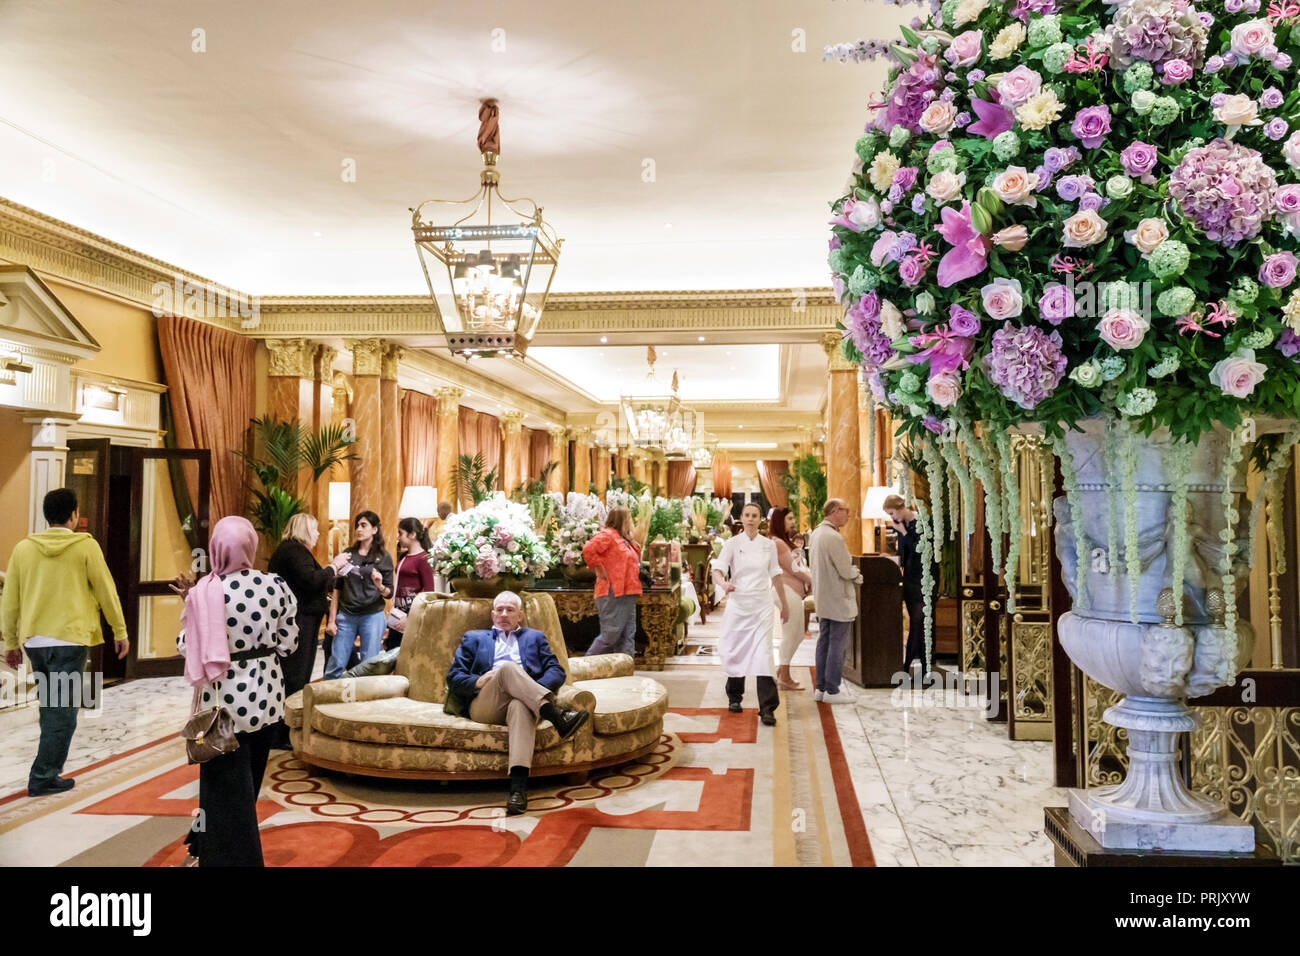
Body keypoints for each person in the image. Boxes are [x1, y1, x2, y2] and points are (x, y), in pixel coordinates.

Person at [177, 516, 297, 866]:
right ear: (250, 546)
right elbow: (289, 644)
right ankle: (207, 844)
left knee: (225, 788)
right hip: (268, 699)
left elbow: (187, 646)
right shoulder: (275, 585)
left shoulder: (206, 592)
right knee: (246, 786)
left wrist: (190, 607)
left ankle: (227, 857)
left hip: (223, 706)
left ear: (216, 547)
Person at [2, 488, 129, 796]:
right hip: (70, 639)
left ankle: (48, 770)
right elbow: (105, 590)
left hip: (35, 640)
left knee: (51, 707)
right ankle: (43, 776)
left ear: (47, 516)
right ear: (73, 514)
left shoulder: (23, 549)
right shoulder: (86, 547)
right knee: (63, 712)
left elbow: (10, 600)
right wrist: (120, 630)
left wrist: (10, 642)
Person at [445, 591, 590, 815]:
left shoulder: (535, 637)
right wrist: (477, 681)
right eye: (500, 610)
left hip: (524, 702)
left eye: (510, 610)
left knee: (520, 705)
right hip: (485, 705)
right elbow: (454, 677)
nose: (504, 614)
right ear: (493, 615)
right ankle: (555, 715)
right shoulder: (474, 638)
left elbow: (556, 671)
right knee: (507, 668)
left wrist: (528, 688)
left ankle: (518, 790)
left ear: (520, 615)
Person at [266, 514, 350, 748]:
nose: (318, 534)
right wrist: (335, 566)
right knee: (296, 675)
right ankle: (282, 734)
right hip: (299, 622)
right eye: (315, 529)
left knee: (295, 674)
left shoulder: (290, 550)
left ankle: (282, 731)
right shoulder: (295, 552)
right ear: (304, 529)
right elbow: (312, 580)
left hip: (297, 620)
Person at [712, 502, 788, 726]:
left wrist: (784, 603)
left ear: (760, 519)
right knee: (736, 650)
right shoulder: (732, 543)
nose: (751, 519)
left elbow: (775, 575)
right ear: (741, 518)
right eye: (747, 515)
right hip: (738, 604)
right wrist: (723, 584)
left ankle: (767, 708)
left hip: (761, 605)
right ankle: (734, 697)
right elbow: (718, 569)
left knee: (764, 654)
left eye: (755, 515)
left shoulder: (769, 546)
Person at [325, 511, 393, 679]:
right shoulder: (348, 554)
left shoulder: (383, 557)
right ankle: (325, 700)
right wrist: (332, 620)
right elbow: (337, 589)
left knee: (368, 666)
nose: (359, 529)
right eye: (357, 526)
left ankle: (364, 704)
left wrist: (380, 585)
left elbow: (388, 593)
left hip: (372, 616)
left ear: (375, 529)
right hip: (347, 615)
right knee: (336, 664)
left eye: (364, 525)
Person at [809, 498, 862, 704]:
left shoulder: (816, 533)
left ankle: (820, 688)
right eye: (845, 511)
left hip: (824, 596)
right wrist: (857, 574)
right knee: (837, 645)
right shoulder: (833, 537)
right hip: (838, 597)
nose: (848, 516)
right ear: (835, 511)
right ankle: (832, 689)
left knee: (824, 642)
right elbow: (845, 570)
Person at [884, 494, 934, 677]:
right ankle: (919, 664)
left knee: (920, 621)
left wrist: (904, 533)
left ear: (900, 508)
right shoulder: (900, 526)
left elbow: (922, 550)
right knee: (915, 621)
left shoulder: (921, 522)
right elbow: (903, 553)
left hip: (925, 578)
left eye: (892, 513)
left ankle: (916, 664)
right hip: (909, 580)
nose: (892, 518)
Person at [581, 507, 642, 657]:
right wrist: (599, 568)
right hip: (613, 591)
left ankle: (625, 672)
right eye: (628, 519)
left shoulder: (624, 538)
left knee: (627, 635)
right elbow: (588, 549)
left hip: (629, 591)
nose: (631, 522)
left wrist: (631, 539)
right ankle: (584, 666)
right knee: (610, 636)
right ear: (621, 519)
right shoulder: (608, 535)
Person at [768, 507, 812, 691]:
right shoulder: (778, 542)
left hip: (792, 592)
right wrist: (812, 580)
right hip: (786, 591)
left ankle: (782, 671)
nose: (793, 522)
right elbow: (794, 568)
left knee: (798, 633)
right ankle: (784, 676)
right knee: (790, 634)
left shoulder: (783, 541)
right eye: (790, 518)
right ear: (780, 521)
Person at [387, 517, 435, 650]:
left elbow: (428, 591)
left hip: (412, 613)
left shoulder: (423, 558)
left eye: (401, 533)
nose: (398, 537)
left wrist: (410, 617)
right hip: (398, 612)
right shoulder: (403, 557)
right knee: (392, 651)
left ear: (412, 534)